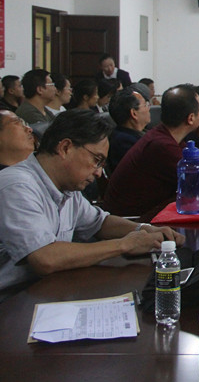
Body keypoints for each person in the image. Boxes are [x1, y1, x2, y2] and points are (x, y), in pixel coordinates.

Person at [0, 110, 184, 299]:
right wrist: (125, 244)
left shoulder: (66, 187)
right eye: (96, 160)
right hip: (12, 302)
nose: (98, 173)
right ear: (65, 148)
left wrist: (144, 229)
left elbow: (99, 223)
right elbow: (44, 258)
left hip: (49, 291)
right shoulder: (16, 185)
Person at [104, 84, 199, 218]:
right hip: (134, 221)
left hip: (150, 213)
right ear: (191, 118)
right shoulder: (161, 146)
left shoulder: (164, 136)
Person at [107, 87, 151, 173]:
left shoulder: (135, 134)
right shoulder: (125, 142)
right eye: (145, 105)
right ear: (134, 113)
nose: (148, 108)